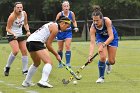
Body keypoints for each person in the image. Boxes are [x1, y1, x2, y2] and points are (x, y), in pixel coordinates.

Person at [22, 16, 71, 88]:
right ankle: (43, 81)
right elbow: (48, 45)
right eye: (67, 26)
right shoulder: (55, 28)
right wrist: (57, 55)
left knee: (36, 63)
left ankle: (26, 82)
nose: (66, 29)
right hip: (36, 42)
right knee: (49, 62)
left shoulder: (52, 24)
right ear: (63, 23)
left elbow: (46, 42)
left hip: (29, 42)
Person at [88, 5, 118, 83]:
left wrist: (103, 45)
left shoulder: (107, 21)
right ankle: (101, 77)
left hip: (112, 37)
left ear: (101, 18)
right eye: (94, 20)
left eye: (97, 20)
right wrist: (90, 56)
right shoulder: (93, 27)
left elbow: (111, 36)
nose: (95, 22)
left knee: (112, 61)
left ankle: (108, 63)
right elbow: (92, 42)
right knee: (102, 57)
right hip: (101, 38)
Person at [4, 2, 31, 76]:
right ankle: (7, 67)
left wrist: (28, 31)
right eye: (18, 7)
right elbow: (7, 28)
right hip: (11, 35)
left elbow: (25, 24)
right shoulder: (12, 16)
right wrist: (13, 34)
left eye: (21, 7)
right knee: (15, 51)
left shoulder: (24, 14)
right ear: (15, 8)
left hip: (20, 35)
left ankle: (25, 70)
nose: (20, 9)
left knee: (25, 51)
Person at [56, 1, 78, 68]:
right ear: (62, 7)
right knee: (60, 49)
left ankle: (68, 63)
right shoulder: (60, 14)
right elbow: (56, 23)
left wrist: (75, 27)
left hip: (68, 32)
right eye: (65, 6)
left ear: (69, 7)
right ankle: (60, 63)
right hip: (60, 33)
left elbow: (74, 21)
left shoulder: (71, 13)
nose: (66, 7)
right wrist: (59, 29)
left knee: (68, 46)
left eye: (67, 6)